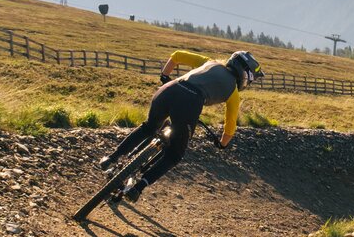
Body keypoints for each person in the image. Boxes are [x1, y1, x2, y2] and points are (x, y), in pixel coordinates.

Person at [99, 49, 264, 202]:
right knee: (174, 155)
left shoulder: (209, 62)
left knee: (148, 128)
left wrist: (165, 75)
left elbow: (177, 55)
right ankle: (137, 188)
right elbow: (230, 125)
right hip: (189, 104)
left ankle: (111, 158)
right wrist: (222, 143)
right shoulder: (233, 92)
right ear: (246, 76)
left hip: (168, 89)